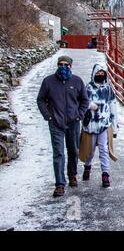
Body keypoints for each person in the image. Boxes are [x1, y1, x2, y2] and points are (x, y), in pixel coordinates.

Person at [37, 56, 90, 198]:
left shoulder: (77, 81)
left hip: (73, 122)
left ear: (71, 66)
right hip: (56, 123)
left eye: (66, 64)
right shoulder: (48, 81)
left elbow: (85, 100)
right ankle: (60, 184)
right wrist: (48, 116)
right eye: (60, 64)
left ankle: (72, 175)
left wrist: (80, 115)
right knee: (59, 153)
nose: (63, 67)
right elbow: (40, 99)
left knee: (73, 150)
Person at [82, 63, 118, 188]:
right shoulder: (87, 88)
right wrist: (89, 105)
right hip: (90, 124)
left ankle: (105, 174)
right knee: (90, 150)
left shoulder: (108, 89)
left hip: (104, 124)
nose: (100, 75)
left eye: (102, 74)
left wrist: (115, 126)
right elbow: (81, 102)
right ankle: (87, 167)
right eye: (98, 73)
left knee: (103, 149)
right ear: (93, 74)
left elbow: (113, 107)